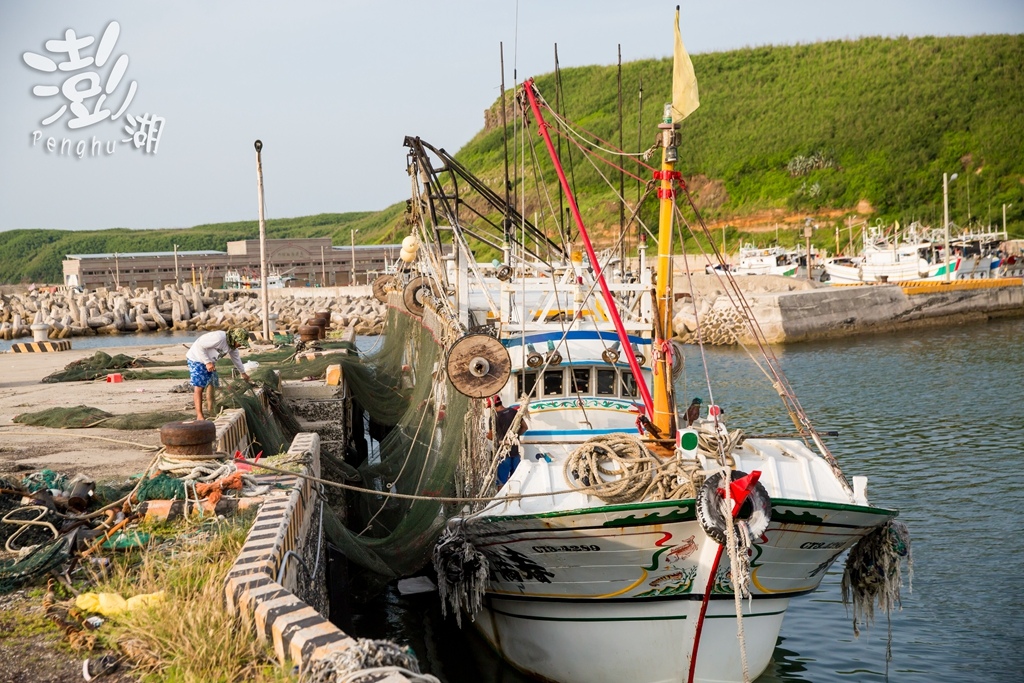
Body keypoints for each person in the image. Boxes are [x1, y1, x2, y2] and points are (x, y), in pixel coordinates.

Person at [186, 328, 251, 421]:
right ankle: (199, 416)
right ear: (235, 339)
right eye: (240, 343)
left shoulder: (233, 347)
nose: (240, 345)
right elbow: (199, 345)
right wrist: (207, 362)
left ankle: (211, 410)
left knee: (212, 384)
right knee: (199, 387)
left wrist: (243, 373)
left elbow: (236, 359)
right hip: (196, 359)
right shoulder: (219, 338)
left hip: (210, 362)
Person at [492, 396, 526, 485]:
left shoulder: (494, 417)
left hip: (503, 455)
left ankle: (501, 498)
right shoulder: (514, 412)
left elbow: (491, 436)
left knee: (501, 482)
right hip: (515, 453)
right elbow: (525, 427)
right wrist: (515, 437)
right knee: (517, 481)